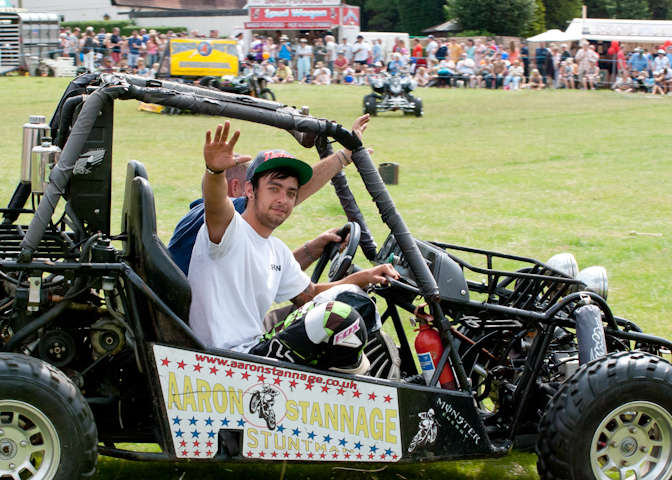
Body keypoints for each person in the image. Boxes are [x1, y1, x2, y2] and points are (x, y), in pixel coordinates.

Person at [188, 119, 398, 372]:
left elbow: (308, 295)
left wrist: (365, 277)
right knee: (339, 316)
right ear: (250, 190)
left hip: (256, 349)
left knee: (356, 301)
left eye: (290, 193)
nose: (282, 200)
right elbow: (215, 204)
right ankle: (365, 389)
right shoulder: (229, 230)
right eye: (274, 188)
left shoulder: (276, 249)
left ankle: (381, 377)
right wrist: (214, 171)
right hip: (227, 363)